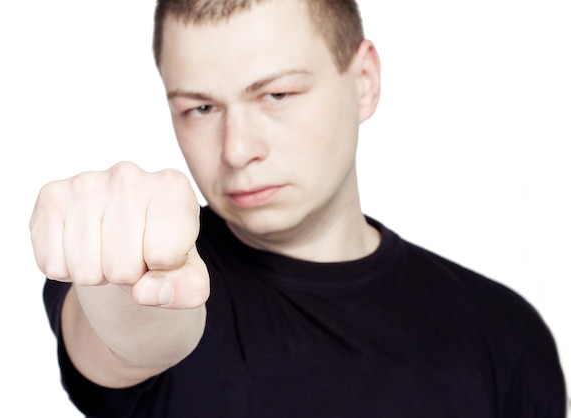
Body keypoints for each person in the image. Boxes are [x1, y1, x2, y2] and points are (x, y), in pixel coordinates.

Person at [31, 0, 568, 416]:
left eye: (277, 96)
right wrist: (125, 282)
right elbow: (127, 338)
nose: (237, 149)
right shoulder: (131, 261)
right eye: (199, 108)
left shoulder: (504, 334)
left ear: (364, 83)